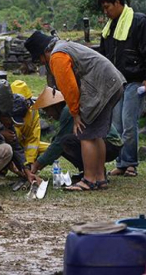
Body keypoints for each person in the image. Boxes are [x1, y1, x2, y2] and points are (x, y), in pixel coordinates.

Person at [25, 31, 126, 191]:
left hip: (100, 88)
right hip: (112, 84)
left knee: (84, 134)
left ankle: (89, 179)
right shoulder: (64, 46)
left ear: (44, 52)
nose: (43, 64)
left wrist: (75, 113)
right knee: (96, 134)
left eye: (40, 60)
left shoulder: (57, 56)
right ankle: (100, 178)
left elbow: (69, 88)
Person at [98, 0, 146, 178]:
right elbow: (103, 56)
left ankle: (130, 162)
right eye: (104, 9)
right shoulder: (109, 28)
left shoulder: (139, 22)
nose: (106, 12)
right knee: (116, 125)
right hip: (116, 82)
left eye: (108, 7)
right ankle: (121, 163)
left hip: (134, 79)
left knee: (129, 122)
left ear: (118, 3)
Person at [30, 87, 123, 186]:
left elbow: (58, 144)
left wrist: (37, 165)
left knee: (66, 141)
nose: (49, 115)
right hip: (107, 143)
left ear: (55, 106)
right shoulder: (68, 108)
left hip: (110, 144)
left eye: (47, 110)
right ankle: (90, 171)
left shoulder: (68, 110)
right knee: (63, 141)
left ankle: (93, 173)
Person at [10, 79, 49, 167]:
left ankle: (32, 166)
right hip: (11, 147)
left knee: (50, 149)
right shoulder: (4, 110)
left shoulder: (33, 112)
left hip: (24, 146)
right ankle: (3, 170)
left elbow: (33, 139)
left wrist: (29, 163)